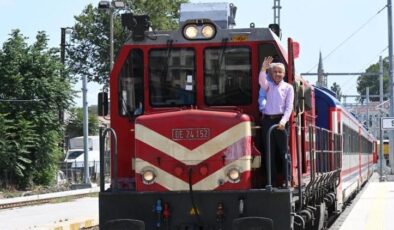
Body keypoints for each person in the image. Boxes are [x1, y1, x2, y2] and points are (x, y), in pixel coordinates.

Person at [259, 56, 294, 187]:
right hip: (268, 120)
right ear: (271, 74)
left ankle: (287, 179)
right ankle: (271, 181)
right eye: (275, 72)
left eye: (280, 72)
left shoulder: (288, 88)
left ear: (284, 74)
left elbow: (289, 106)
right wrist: (263, 68)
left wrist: (284, 121)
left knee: (284, 152)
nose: (278, 74)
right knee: (269, 152)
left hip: (281, 121)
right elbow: (262, 80)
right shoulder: (268, 87)